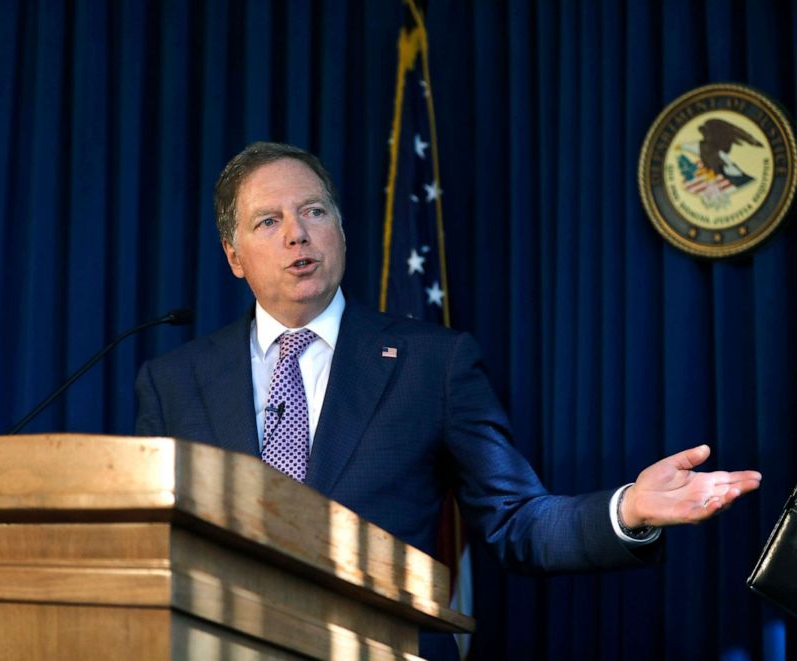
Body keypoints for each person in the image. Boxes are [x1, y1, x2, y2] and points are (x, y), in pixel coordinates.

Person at [134, 142, 762, 659]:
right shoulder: (174, 381)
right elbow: (148, 548)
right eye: (268, 221)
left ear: (342, 231)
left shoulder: (434, 363)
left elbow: (518, 521)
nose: (298, 234)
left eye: (315, 212)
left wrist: (628, 510)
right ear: (233, 255)